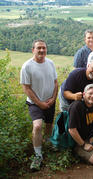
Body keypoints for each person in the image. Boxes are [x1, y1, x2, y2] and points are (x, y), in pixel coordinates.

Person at [20, 40, 58, 170]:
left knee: (48, 125)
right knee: (37, 126)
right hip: (35, 103)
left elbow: (55, 82)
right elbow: (26, 88)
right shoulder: (27, 66)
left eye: (44, 48)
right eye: (39, 48)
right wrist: (39, 103)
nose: (42, 50)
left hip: (49, 101)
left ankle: (47, 146)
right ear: (33, 50)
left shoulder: (50, 63)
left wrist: (53, 98)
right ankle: (38, 155)